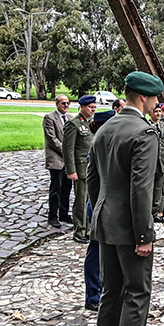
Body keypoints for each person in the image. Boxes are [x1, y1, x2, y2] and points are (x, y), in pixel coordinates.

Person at [87, 71, 163, 326]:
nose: (156, 103)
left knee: (111, 293)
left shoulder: (104, 128)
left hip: (105, 224)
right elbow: (140, 190)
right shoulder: (144, 132)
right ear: (143, 97)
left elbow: (92, 179)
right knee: (137, 294)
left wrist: (102, 213)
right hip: (131, 230)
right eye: (154, 97)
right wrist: (144, 236)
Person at [83, 109, 115, 312]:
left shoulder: (106, 144)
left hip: (104, 205)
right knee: (95, 252)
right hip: (97, 205)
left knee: (103, 252)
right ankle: (92, 295)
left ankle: (101, 289)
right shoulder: (98, 146)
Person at [64, 94, 97, 244]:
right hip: (81, 168)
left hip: (91, 169)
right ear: (82, 107)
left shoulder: (93, 123)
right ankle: (79, 231)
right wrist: (71, 170)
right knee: (81, 201)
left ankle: (89, 229)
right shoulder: (74, 124)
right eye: (90, 107)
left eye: (94, 107)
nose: (93, 110)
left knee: (90, 201)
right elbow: (68, 149)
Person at [43, 95, 73, 229]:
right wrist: (67, 151)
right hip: (56, 157)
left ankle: (64, 213)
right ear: (56, 104)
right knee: (56, 188)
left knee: (67, 187)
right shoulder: (49, 118)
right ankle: (53, 216)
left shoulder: (71, 118)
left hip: (68, 160)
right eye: (63, 103)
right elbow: (52, 139)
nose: (66, 106)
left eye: (68, 103)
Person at [149, 105, 164, 223]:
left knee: (158, 188)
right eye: (155, 111)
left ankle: (156, 212)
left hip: (161, 162)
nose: (158, 114)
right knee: (149, 189)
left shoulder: (163, 126)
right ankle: (148, 212)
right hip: (150, 163)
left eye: (159, 111)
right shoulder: (146, 125)